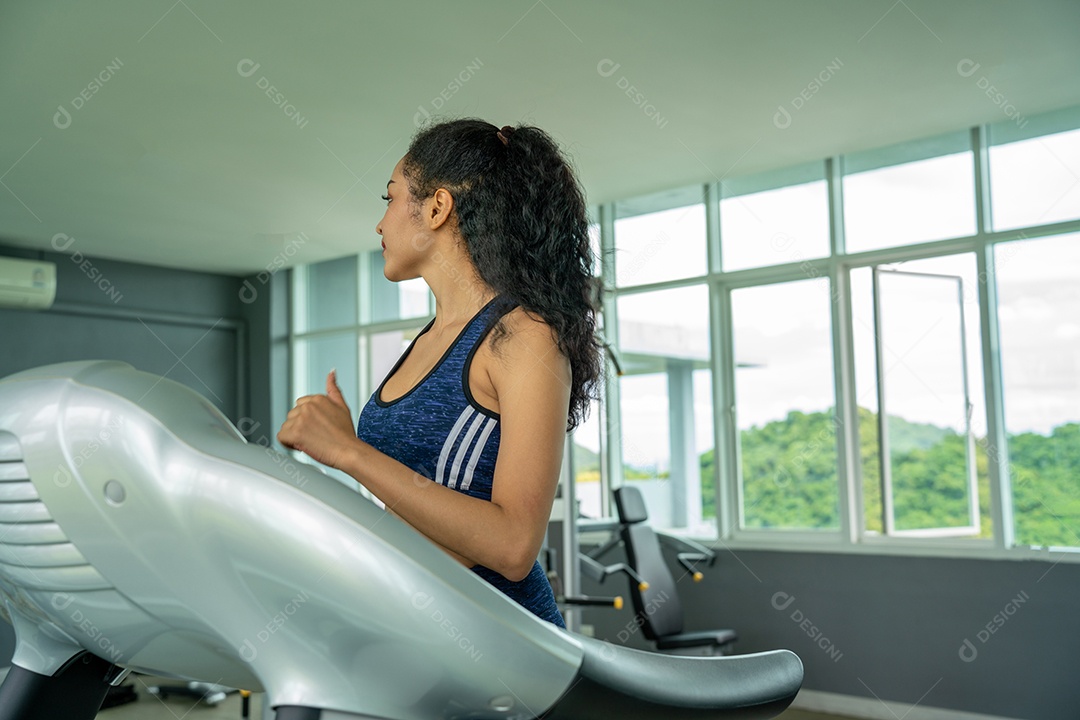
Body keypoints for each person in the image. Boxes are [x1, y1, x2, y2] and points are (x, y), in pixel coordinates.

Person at [277, 118, 601, 628]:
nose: (380, 225)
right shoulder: (428, 340)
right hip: (415, 627)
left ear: (437, 207)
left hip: (500, 642)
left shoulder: (523, 334)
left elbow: (515, 545)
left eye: (389, 199)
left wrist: (348, 450)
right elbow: (415, 504)